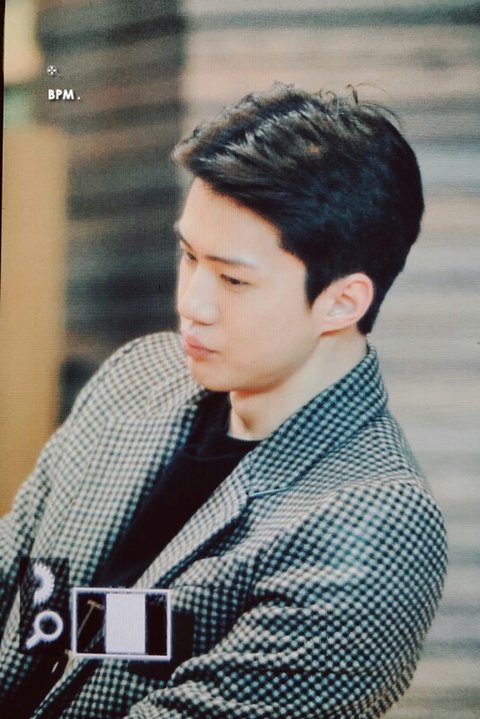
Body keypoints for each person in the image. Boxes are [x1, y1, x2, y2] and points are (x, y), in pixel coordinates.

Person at [0, 83, 447, 718]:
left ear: (342, 302)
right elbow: (15, 573)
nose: (192, 305)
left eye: (233, 279)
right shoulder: (139, 378)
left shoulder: (370, 521)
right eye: (189, 257)